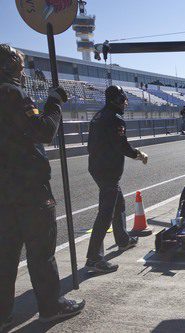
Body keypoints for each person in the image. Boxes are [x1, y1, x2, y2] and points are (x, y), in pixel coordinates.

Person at [0, 44, 84, 328]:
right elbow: (44, 131)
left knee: (6, 254)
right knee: (40, 250)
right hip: (28, 186)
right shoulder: (11, 92)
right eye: (21, 65)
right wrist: (54, 102)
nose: (23, 71)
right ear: (11, 65)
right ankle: (51, 306)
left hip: (3, 189)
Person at [86, 85, 149, 274]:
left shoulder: (98, 116)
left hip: (97, 167)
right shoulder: (115, 119)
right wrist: (138, 154)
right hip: (108, 171)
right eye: (123, 99)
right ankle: (94, 259)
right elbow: (122, 145)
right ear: (117, 100)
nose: (125, 102)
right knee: (105, 214)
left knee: (119, 203)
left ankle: (123, 240)